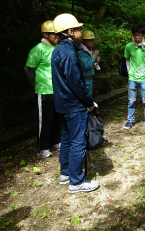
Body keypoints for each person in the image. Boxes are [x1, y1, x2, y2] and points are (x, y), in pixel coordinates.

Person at [51, 13, 99, 193]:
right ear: (70, 31)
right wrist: (89, 101)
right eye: (78, 29)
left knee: (67, 138)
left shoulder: (57, 50)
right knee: (78, 141)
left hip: (62, 103)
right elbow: (76, 82)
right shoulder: (70, 52)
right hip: (73, 104)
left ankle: (65, 174)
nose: (80, 31)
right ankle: (76, 182)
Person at [25, 20, 61, 158]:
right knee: (44, 121)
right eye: (53, 34)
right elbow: (29, 69)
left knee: (57, 118)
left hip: (57, 90)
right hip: (44, 91)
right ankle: (42, 147)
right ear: (45, 34)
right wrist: (37, 84)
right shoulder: (38, 49)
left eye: (58, 33)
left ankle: (55, 141)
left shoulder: (57, 48)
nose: (56, 36)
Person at [124, 24, 145, 130]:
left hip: (144, 79)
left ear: (143, 35)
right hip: (132, 78)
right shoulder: (129, 46)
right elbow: (127, 61)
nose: (137, 37)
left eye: (139, 35)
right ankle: (130, 120)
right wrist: (130, 73)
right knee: (131, 100)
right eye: (135, 35)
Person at [77, 30, 101, 96]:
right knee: (85, 99)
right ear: (83, 41)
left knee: (90, 97)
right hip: (84, 80)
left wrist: (98, 58)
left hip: (90, 79)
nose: (92, 42)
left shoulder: (89, 51)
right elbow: (85, 66)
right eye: (89, 40)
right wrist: (94, 57)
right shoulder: (80, 52)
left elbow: (97, 56)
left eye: (93, 40)